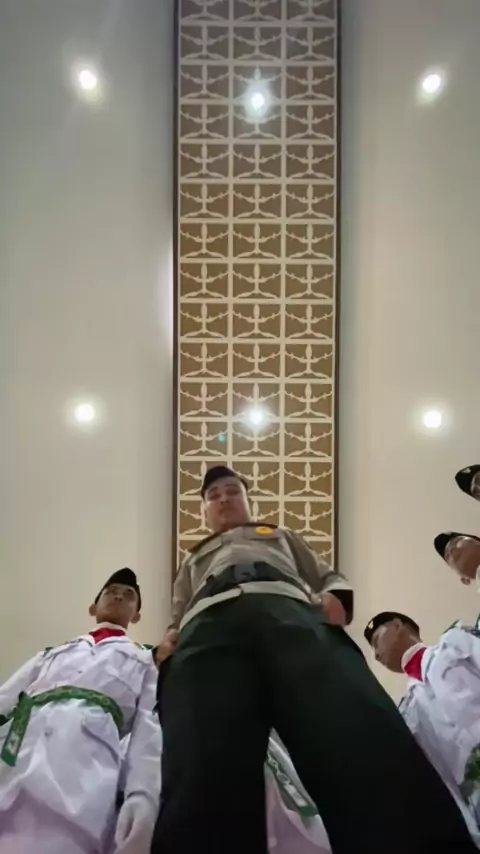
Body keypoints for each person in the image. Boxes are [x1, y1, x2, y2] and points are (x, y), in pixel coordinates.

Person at [151, 464, 477, 854]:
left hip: (289, 610)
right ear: (204, 509)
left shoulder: (279, 535)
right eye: (214, 495)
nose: (223, 499)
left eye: (232, 491)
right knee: (202, 758)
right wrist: (169, 640)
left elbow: (325, 575)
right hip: (205, 627)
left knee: (354, 727)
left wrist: (335, 596)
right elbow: (177, 610)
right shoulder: (192, 558)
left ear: (247, 499)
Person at [0, 568, 161, 854]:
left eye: (128, 595)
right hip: (19, 750)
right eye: (111, 592)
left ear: (137, 615)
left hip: (85, 768)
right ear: (92, 607)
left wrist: (142, 794)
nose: (118, 597)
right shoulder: (52, 653)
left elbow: (148, 728)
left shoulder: (145, 659)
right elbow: (5, 697)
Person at [364, 610, 480, 846]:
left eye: (376, 641)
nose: (375, 654)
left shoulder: (454, 644)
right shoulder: (409, 714)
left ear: (397, 626)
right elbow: (442, 776)